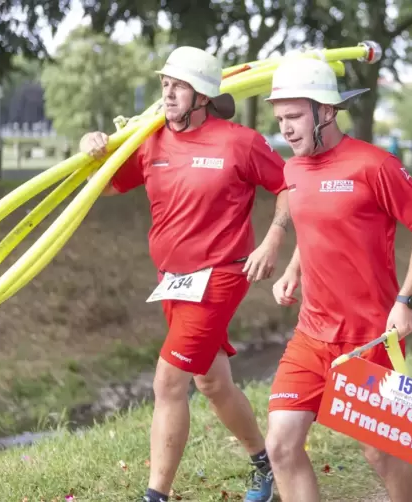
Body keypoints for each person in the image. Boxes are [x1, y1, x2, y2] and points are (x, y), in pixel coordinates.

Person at [79, 46, 289, 502]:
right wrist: (92, 150)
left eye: (178, 86)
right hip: (172, 280)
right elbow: (108, 187)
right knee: (212, 382)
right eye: (165, 84)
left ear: (203, 95)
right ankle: (265, 462)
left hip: (222, 275)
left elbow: (289, 184)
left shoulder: (240, 142)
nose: (168, 93)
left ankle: (155, 495)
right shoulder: (151, 140)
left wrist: (273, 238)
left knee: (168, 381)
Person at [263, 57, 412, 502]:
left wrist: (407, 299)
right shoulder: (293, 170)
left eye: (293, 117)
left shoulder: (374, 165)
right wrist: (292, 269)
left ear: (326, 111)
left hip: (371, 340)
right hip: (312, 335)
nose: (285, 130)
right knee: (281, 445)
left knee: (381, 455)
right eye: (279, 119)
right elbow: (313, 226)